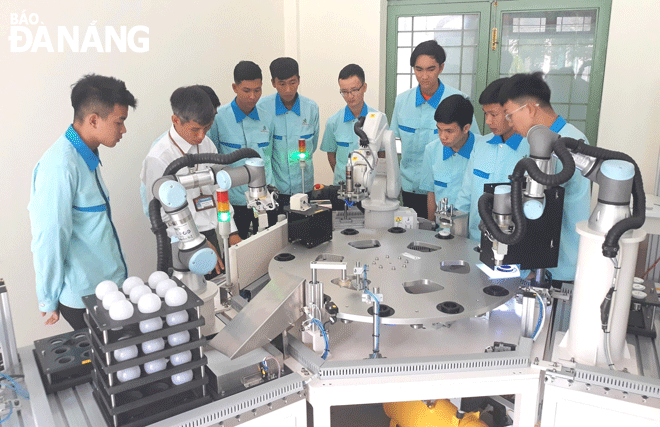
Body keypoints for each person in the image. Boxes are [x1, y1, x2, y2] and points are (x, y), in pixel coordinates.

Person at [29, 74, 137, 330]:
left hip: (107, 289)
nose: (123, 130)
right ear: (93, 120)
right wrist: (48, 298)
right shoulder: (60, 166)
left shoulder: (86, 155)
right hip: (86, 298)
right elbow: (49, 237)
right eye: (119, 122)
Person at [499, 71, 591, 284]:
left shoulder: (571, 142)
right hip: (537, 259)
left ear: (529, 109)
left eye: (509, 114)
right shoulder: (532, 141)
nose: (510, 123)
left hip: (561, 263)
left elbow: (540, 204)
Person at [140, 86, 240, 279]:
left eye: (207, 128)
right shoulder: (159, 157)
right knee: (194, 300)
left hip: (215, 233)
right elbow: (160, 214)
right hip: (184, 244)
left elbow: (219, 190)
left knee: (221, 291)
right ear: (176, 120)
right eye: (195, 129)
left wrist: (232, 230)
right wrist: (196, 242)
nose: (201, 136)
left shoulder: (206, 144)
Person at [391, 40, 480, 218]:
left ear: (441, 68)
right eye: (418, 69)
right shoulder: (402, 101)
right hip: (411, 188)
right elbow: (392, 142)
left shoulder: (458, 100)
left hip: (447, 190)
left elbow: (474, 146)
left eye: (430, 69)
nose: (424, 76)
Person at [207, 61, 276, 239]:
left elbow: (271, 156)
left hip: (265, 199)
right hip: (235, 203)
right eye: (246, 90)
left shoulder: (267, 118)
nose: (253, 96)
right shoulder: (219, 119)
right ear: (235, 87)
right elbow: (212, 161)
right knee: (239, 257)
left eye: (258, 90)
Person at [455, 78, 530, 241]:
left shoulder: (531, 150)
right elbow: (465, 196)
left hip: (513, 244)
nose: (488, 121)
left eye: (494, 114)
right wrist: (456, 237)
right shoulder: (481, 145)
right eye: (485, 114)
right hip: (475, 241)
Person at [258, 57, 319, 213]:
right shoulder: (262, 109)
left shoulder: (311, 108)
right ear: (273, 83)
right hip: (277, 190)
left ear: (299, 80)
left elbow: (312, 146)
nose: (288, 90)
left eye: (292, 83)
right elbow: (264, 153)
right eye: (282, 84)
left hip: (305, 186)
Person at [321, 64, 381, 185]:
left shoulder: (378, 119)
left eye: (354, 90)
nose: (349, 96)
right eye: (344, 92)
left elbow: (383, 154)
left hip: (370, 188)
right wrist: (344, 178)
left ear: (364, 87)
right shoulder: (333, 122)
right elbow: (331, 155)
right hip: (343, 188)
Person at [420, 95, 477, 221]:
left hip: (473, 231)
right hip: (442, 230)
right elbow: (431, 193)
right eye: (439, 130)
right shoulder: (432, 150)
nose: (442, 136)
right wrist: (431, 226)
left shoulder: (481, 150)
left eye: (449, 131)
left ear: (466, 128)